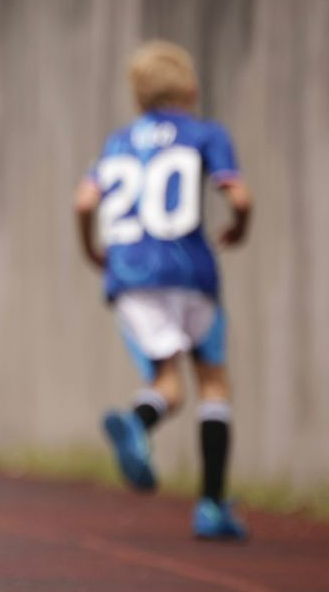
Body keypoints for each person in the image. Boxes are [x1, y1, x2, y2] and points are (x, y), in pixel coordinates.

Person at [75, 41, 252, 541]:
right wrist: (240, 226)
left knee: (168, 385)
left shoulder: (119, 143)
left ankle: (139, 420)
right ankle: (211, 505)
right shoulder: (205, 134)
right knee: (213, 383)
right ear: (191, 90)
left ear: (138, 99)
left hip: (132, 278)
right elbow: (238, 195)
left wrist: (92, 251)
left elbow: (85, 202)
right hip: (192, 272)